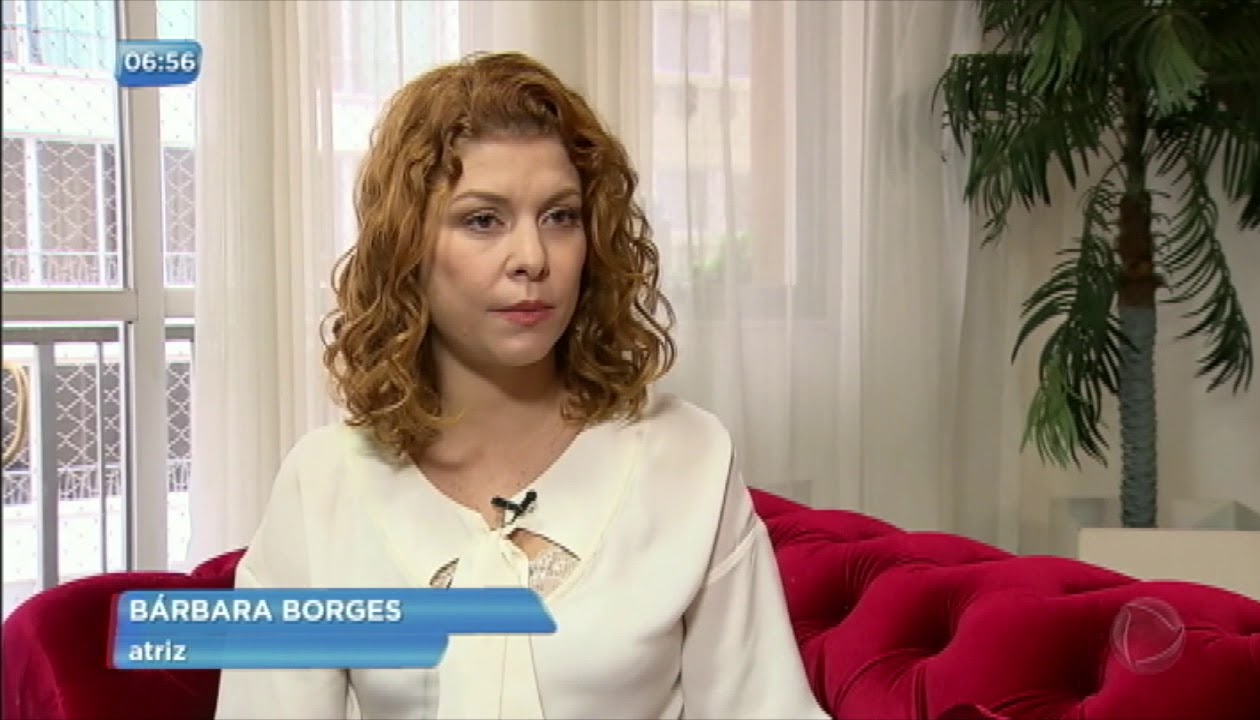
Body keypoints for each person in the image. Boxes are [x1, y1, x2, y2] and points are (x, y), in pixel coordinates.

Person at [214, 51, 829, 720]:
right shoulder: (321, 484)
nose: (533, 258)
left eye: (560, 217)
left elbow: (763, 707)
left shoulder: (689, 457)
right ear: (407, 247)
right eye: (483, 220)